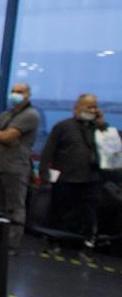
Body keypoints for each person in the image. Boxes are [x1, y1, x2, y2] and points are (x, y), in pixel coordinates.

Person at [40, 94, 107, 251]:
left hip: (91, 179)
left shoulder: (98, 129)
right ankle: (54, 241)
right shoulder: (63, 126)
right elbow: (48, 151)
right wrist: (44, 175)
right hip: (66, 177)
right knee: (60, 211)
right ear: (77, 107)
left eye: (94, 106)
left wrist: (102, 123)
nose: (92, 109)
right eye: (88, 106)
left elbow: (112, 146)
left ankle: (83, 243)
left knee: (87, 214)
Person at [0, 82, 40, 254]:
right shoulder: (7, 114)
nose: (15, 94)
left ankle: (12, 244)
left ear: (28, 95)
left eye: (20, 92)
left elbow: (8, 136)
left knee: (15, 206)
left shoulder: (31, 115)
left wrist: (0, 136)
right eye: (13, 91)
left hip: (16, 168)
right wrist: (0, 137)